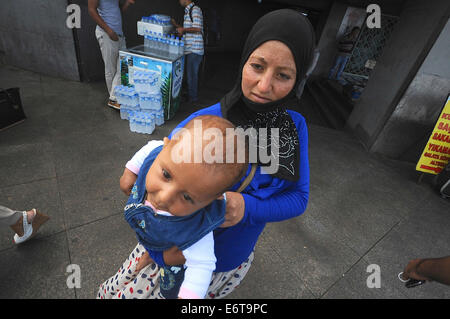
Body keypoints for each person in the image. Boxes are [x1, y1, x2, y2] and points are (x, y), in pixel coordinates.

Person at [99, 8, 314, 299]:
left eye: (283, 75)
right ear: (244, 59)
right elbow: (157, 188)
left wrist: (247, 208)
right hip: (171, 251)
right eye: (258, 67)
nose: (264, 86)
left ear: (297, 79)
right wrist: (161, 255)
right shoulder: (204, 124)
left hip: (226, 263)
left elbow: (298, 198)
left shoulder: (292, 128)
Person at [99, 115, 249, 299]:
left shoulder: (197, 226)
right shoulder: (159, 150)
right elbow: (150, 147)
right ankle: (149, 253)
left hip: (171, 255)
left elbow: (202, 265)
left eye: (187, 197)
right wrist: (130, 170)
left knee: (170, 285)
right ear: (167, 146)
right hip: (149, 234)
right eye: (166, 175)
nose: (164, 197)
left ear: (211, 200)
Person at [88, 0, 136, 110]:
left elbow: (117, 11)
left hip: (119, 34)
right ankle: (114, 99)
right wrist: (109, 31)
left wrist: (127, 4)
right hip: (107, 34)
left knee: (125, 65)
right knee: (111, 68)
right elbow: (91, 10)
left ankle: (113, 97)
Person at [172, 0, 204, 103]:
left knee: (192, 75)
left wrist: (183, 30)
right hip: (190, 48)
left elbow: (197, 28)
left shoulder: (195, 9)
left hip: (194, 49)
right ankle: (191, 95)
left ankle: (193, 98)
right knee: (190, 74)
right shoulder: (188, 11)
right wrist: (177, 26)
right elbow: (187, 29)